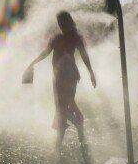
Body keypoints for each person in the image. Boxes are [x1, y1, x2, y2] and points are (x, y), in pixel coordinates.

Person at [23, 10, 97, 154]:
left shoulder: (75, 38)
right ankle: (77, 124)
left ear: (69, 22)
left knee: (62, 107)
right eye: (59, 23)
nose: (61, 25)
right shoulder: (57, 38)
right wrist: (31, 63)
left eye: (63, 23)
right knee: (63, 107)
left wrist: (91, 73)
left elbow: (84, 55)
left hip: (69, 77)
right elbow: (45, 52)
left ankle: (61, 141)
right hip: (59, 77)